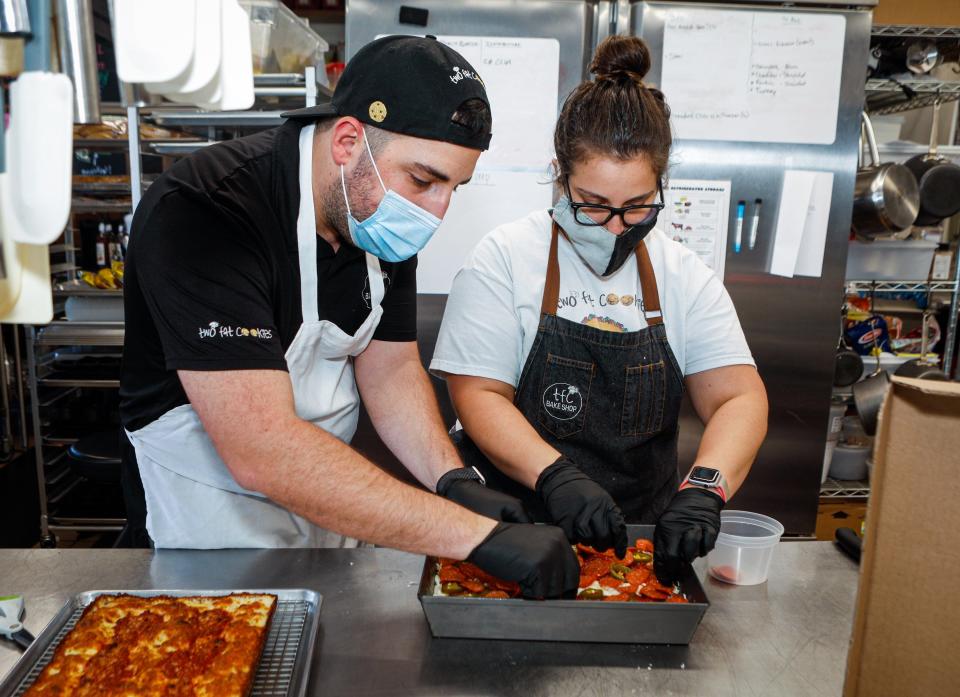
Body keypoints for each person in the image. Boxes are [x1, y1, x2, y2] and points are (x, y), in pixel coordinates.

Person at [118, 35, 580, 599]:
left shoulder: (378, 217)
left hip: (330, 510)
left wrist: (452, 479)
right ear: (346, 141)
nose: (436, 212)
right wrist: (473, 538)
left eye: (454, 188)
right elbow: (261, 449)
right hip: (205, 530)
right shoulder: (205, 210)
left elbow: (389, 370)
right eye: (424, 180)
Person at [429, 35, 768, 584]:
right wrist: (556, 476)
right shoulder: (504, 260)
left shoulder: (685, 276)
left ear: (662, 184)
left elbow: (738, 396)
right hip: (512, 533)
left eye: (637, 207)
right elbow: (477, 395)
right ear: (559, 177)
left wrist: (706, 486)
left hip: (637, 545)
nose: (615, 226)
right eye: (593, 205)